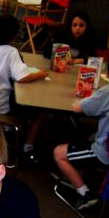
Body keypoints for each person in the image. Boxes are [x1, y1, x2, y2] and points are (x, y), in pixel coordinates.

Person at [23, 10, 98, 163]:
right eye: (74, 25)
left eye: (81, 25)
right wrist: (70, 58)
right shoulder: (62, 37)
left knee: (79, 100)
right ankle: (29, 145)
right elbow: (46, 53)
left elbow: (91, 59)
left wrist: (73, 61)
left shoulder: (90, 40)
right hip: (58, 76)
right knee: (45, 105)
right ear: (70, 26)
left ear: (86, 27)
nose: (77, 28)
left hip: (78, 79)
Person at [53, 51, 109, 210]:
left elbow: (78, 107)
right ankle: (79, 173)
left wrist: (85, 98)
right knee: (88, 134)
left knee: (58, 153)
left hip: (107, 153)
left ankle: (85, 193)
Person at [0, 13, 47, 115]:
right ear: (14, 36)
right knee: (40, 111)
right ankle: (26, 131)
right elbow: (22, 77)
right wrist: (40, 75)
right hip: (2, 107)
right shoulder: (12, 52)